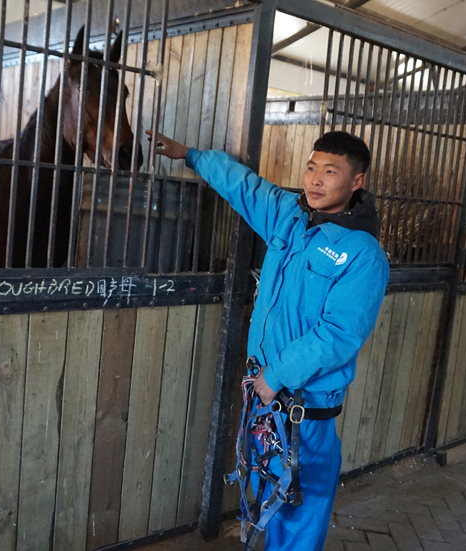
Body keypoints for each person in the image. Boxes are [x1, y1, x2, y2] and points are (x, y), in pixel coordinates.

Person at [148, 129, 389, 551]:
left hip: (303, 411)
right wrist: (191, 155)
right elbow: (243, 186)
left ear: (356, 182)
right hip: (265, 400)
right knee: (268, 499)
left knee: (298, 508)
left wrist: (276, 374)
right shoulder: (289, 216)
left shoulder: (362, 254)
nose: (314, 180)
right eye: (311, 168)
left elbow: (339, 335)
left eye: (329, 172)